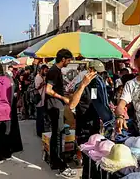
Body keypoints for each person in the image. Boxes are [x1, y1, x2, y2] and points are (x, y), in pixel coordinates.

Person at [45, 49, 95, 178]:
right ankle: (60, 166)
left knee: (57, 135)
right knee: (57, 137)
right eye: (68, 60)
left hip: (57, 105)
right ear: (63, 59)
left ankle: (54, 162)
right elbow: (48, 90)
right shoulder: (53, 71)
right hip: (55, 107)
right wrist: (63, 98)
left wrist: (65, 95)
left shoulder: (57, 71)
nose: (69, 62)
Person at [35, 64, 48, 137]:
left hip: (43, 100)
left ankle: (42, 131)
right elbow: (37, 87)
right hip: (39, 100)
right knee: (39, 117)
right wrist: (43, 83)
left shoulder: (42, 77)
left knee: (42, 117)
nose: (46, 72)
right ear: (42, 70)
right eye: (45, 71)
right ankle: (39, 132)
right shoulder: (38, 77)